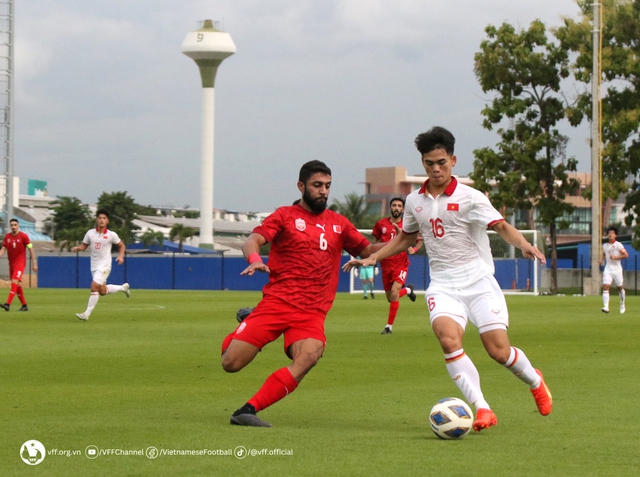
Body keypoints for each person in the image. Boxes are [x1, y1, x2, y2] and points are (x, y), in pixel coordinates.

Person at [344, 126, 552, 432]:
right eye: (429, 163)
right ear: (423, 164)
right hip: (443, 285)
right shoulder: (414, 201)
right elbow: (406, 237)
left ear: (453, 160)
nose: (436, 168)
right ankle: (483, 409)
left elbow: (501, 226)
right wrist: (376, 256)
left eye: (441, 162)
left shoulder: (472, 197)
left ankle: (534, 380)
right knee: (448, 339)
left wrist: (523, 244)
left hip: (479, 282)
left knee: (498, 351)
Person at [221, 160, 382, 427]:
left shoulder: (339, 224)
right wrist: (253, 258)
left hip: (311, 313)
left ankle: (247, 410)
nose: (323, 191)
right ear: (301, 186)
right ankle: (246, 324)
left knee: (310, 355)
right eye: (317, 185)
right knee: (231, 363)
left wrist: (405, 241)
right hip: (278, 303)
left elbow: (369, 251)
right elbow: (253, 239)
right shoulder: (284, 215)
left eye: (327, 186)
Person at [371, 198, 423, 334]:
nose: (396, 208)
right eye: (394, 205)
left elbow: (419, 242)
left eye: (399, 206)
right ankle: (409, 291)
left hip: (401, 265)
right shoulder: (380, 224)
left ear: (403, 209)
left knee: (394, 292)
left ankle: (389, 327)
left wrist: (415, 249)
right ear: (390, 208)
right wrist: (373, 256)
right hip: (385, 265)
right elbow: (374, 243)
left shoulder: (408, 224)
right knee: (391, 298)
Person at [72, 209, 130, 321]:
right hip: (94, 265)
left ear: (107, 221)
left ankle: (86, 314)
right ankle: (123, 288)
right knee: (102, 291)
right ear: (96, 220)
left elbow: (122, 246)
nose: (102, 220)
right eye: (100, 218)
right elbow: (84, 246)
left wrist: (121, 256)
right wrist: (78, 248)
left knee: (94, 287)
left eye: (104, 218)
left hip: (105, 266)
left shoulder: (111, 235)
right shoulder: (90, 233)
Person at [0, 218, 38, 311]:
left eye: (15, 225)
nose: (13, 227)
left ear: (18, 226)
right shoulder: (7, 237)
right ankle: (24, 305)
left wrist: (34, 263)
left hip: (20, 263)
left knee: (14, 282)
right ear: (10, 226)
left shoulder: (23, 236)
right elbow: (3, 249)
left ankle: (7, 304)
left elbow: (31, 249)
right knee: (17, 285)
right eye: (12, 225)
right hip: (11, 264)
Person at [599, 226, 628, 314]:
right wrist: (601, 259)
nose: (610, 235)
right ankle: (606, 307)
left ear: (615, 235)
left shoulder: (618, 245)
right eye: (609, 233)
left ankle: (622, 303)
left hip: (617, 270)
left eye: (612, 233)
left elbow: (626, 255)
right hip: (608, 269)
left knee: (619, 288)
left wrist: (616, 257)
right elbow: (605, 253)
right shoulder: (605, 246)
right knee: (606, 286)